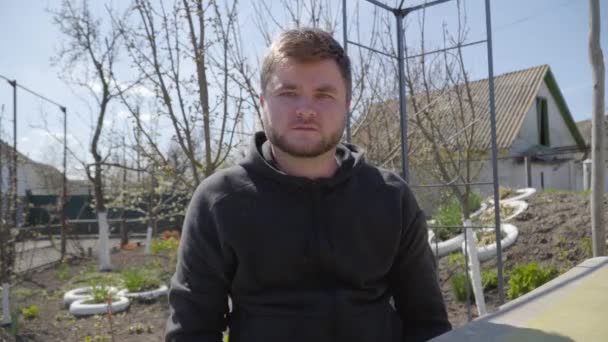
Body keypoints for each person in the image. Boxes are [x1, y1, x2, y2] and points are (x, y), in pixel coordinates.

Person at [165, 28, 451, 342]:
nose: (305, 109)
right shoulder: (219, 201)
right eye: (288, 93)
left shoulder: (390, 197)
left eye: (324, 95)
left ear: (347, 105)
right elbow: (191, 332)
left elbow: (427, 323)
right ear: (263, 102)